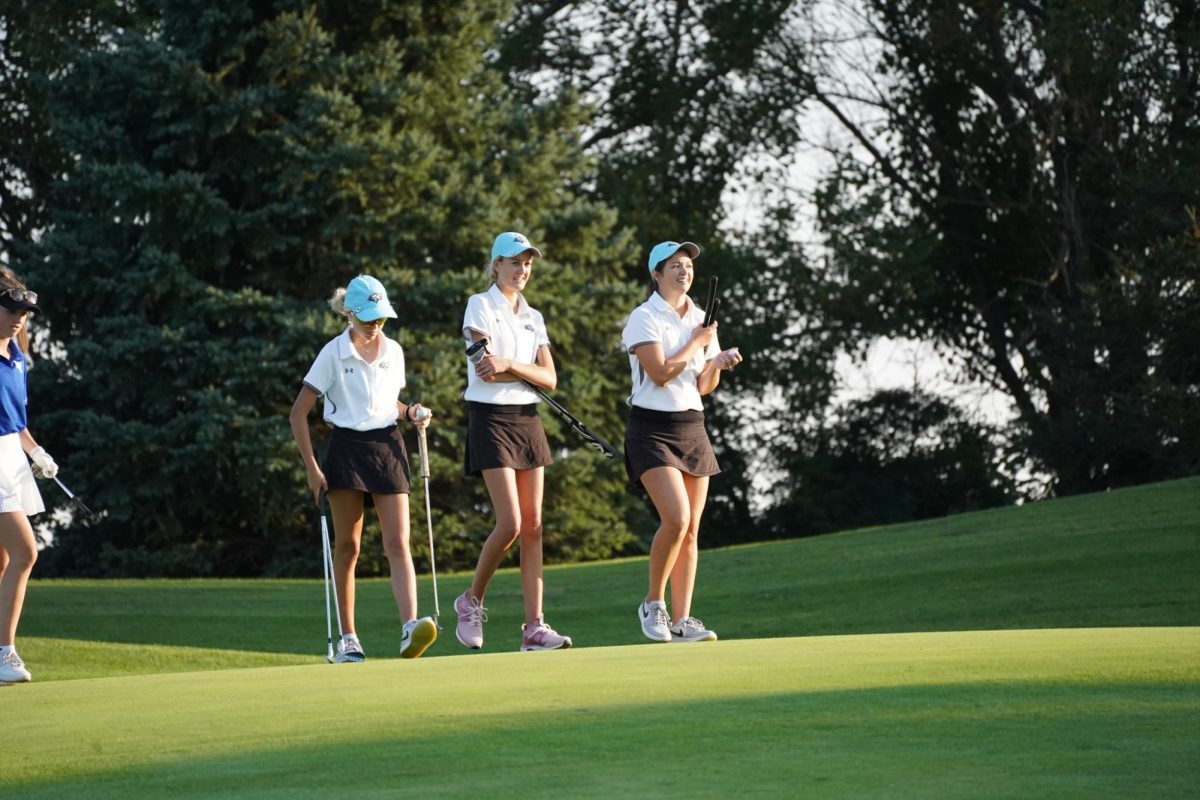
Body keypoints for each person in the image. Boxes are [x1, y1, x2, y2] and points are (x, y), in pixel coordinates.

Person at [289, 275, 437, 662]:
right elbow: (298, 414)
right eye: (369, 318)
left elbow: (390, 404)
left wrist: (412, 412)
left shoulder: (394, 351)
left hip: (388, 446)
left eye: (381, 319)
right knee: (349, 546)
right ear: (350, 313)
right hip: (346, 450)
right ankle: (349, 639)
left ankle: (409, 628)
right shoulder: (332, 354)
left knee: (398, 542)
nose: (376, 326)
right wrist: (311, 467)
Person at [453, 232, 572, 652]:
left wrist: (508, 363)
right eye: (514, 262)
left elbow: (551, 378)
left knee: (535, 526)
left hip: (527, 419)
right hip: (489, 418)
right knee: (511, 523)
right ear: (496, 266)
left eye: (527, 263)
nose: (522, 270)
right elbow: (484, 368)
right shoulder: (479, 305)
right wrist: (517, 368)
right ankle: (470, 601)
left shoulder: (533, 316)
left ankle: (534, 628)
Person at [621, 240, 743, 643]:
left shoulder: (700, 318)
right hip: (651, 428)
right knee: (676, 518)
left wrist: (716, 362)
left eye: (687, 265)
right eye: (674, 265)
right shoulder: (644, 317)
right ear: (656, 274)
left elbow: (703, 385)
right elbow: (658, 373)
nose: (684, 271)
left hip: (692, 425)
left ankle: (683, 619)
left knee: (692, 530)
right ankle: (652, 603)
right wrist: (697, 341)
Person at [0, 271, 57, 684]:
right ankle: (5, 653)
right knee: (26, 552)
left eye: (23, 313)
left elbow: (16, 423)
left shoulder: (17, 358)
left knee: (3, 560)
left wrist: (36, 451)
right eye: (11, 310)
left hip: (11, 459)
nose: (18, 318)